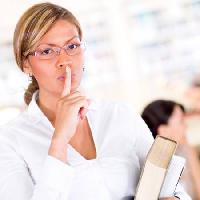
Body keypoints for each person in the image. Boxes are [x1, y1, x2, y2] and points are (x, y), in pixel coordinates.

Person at [0, 2, 190, 200]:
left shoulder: (119, 114)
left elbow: (171, 188)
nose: (65, 60)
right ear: (25, 64)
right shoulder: (10, 140)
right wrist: (60, 140)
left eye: (72, 46)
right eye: (47, 51)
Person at [141, 99, 200, 200]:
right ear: (164, 130)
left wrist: (188, 149)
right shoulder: (153, 170)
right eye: (181, 121)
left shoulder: (184, 148)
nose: (186, 126)